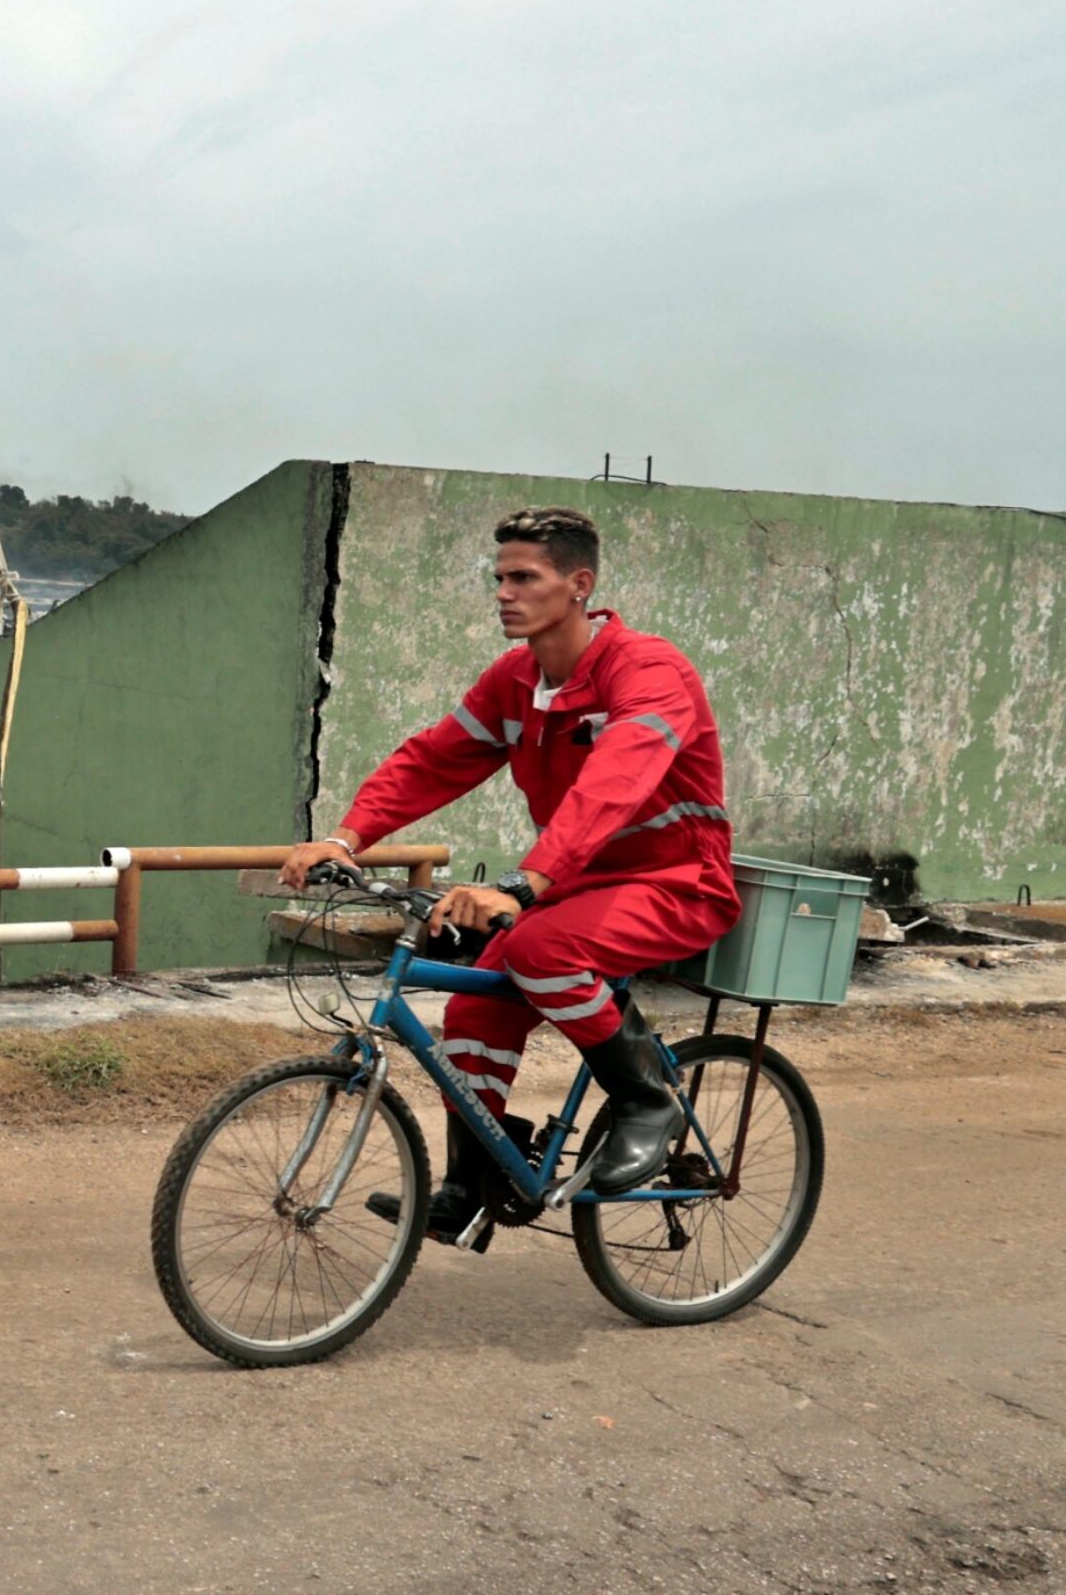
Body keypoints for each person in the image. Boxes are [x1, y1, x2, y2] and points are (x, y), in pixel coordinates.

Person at [280, 506, 740, 1239]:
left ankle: (648, 1101)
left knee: (538, 948)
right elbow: (434, 760)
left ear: (579, 584)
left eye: (524, 577)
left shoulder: (650, 671)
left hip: (677, 881)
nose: (503, 592)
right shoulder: (517, 680)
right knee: (474, 1008)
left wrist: (525, 884)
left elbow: (612, 786)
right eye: (498, 578)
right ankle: (472, 1188)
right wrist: (346, 837)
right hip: (580, 887)